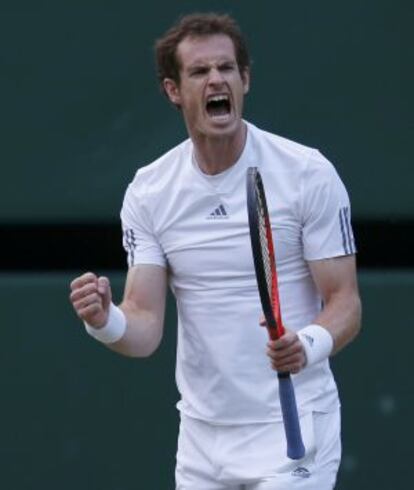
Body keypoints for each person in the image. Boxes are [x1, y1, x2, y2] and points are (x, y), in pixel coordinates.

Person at [69, 12, 361, 490]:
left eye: (226, 68)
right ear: (173, 90)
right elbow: (143, 326)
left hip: (295, 428)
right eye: (200, 72)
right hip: (203, 443)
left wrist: (306, 346)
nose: (216, 79)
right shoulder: (149, 192)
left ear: (244, 80)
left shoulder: (308, 174)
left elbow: (346, 304)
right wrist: (104, 321)